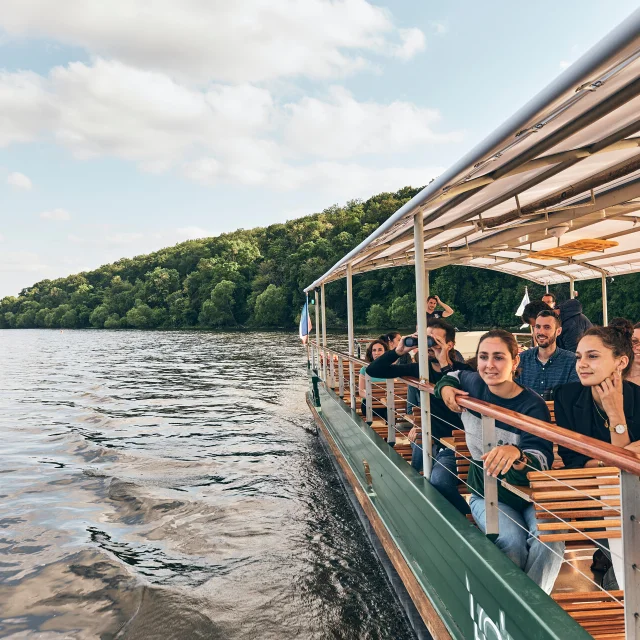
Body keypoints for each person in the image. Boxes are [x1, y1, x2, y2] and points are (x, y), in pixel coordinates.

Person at [435, 330, 562, 594]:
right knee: (511, 542)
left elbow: (541, 457)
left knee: (550, 541)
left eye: (499, 357)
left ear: (515, 362)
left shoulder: (532, 406)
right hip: (487, 493)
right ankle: (514, 603)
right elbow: (453, 375)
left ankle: (530, 606)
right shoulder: (474, 384)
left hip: (531, 496)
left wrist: (518, 455)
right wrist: (446, 388)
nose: (489, 365)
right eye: (483, 357)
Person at [367, 319, 472, 515]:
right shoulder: (420, 369)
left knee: (439, 481)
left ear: (450, 345)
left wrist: (443, 362)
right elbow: (374, 370)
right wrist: (399, 351)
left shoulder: (465, 372)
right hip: (429, 438)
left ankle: (468, 523)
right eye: (425, 339)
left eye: (434, 340)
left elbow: (455, 383)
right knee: (414, 475)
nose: (429, 345)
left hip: (458, 446)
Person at [555, 324, 640, 469]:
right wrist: (609, 461)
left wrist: (615, 413)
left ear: (621, 362)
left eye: (592, 356)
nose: (581, 364)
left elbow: (628, 472)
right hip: (585, 484)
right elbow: (571, 459)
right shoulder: (566, 396)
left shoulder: (637, 398)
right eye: (578, 357)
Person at [516, 310, 579, 398]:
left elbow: (575, 397)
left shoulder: (572, 361)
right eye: (537, 327)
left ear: (558, 331)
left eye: (547, 327)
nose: (541, 332)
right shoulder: (522, 359)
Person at [359, 340, 389, 423]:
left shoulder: (392, 368)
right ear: (371, 353)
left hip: (387, 403)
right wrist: (375, 396)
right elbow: (361, 392)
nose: (377, 353)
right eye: (374, 350)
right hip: (370, 403)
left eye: (380, 350)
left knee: (391, 410)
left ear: (385, 352)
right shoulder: (364, 369)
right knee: (387, 412)